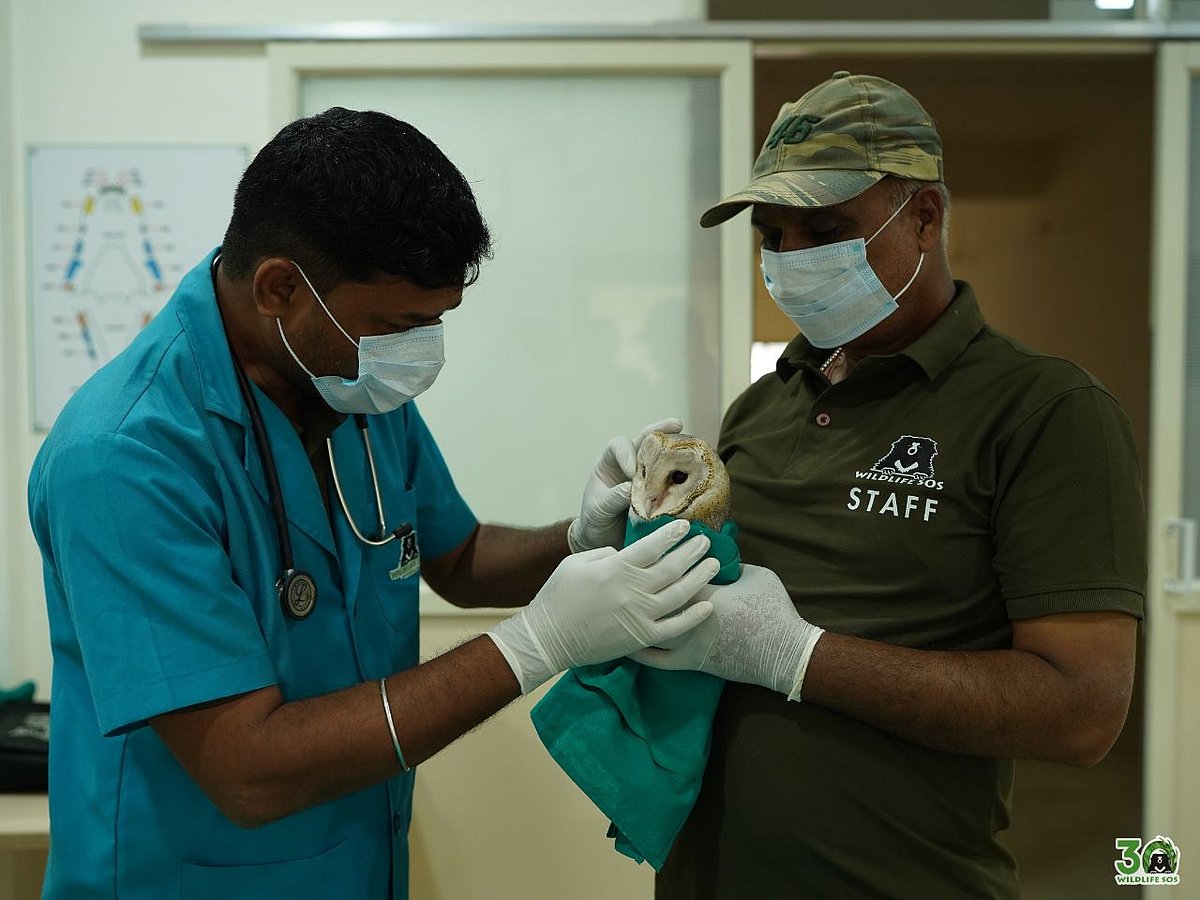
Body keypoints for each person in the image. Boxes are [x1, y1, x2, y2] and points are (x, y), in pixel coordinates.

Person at [26, 107, 722, 899]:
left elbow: (456, 559)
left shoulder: (349, 384)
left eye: (435, 323)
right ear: (280, 288)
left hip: (359, 866)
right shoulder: (125, 457)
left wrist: (579, 537)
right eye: (398, 324)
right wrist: (535, 644)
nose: (420, 352)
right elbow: (247, 770)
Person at [633, 71, 1146, 898]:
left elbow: (1081, 711)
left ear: (926, 218)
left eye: (827, 229)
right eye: (773, 234)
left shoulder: (1044, 411)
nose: (791, 259)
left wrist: (799, 656)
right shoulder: (759, 408)